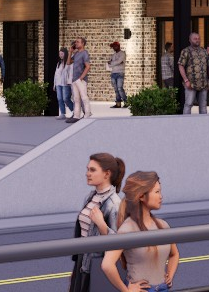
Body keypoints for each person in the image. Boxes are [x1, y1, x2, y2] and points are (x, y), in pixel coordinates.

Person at [116, 171, 179, 292]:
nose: (161, 196)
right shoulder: (127, 229)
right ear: (141, 196)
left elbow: (174, 254)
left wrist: (170, 275)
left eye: (160, 191)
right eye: (157, 192)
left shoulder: (163, 225)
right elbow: (107, 265)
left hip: (163, 288)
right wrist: (127, 290)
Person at [74, 153, 127, 292]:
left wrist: (102, 225)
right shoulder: (90, 197)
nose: (87, 174)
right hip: (83, 261)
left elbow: (119, 243)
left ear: (107, 174)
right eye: (87, 169)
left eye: (92, 170)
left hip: (96, 266)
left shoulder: (114, 204)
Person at [177, 32, 209, 115]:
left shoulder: (204, 51)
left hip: (203, 84)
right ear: (190, 40)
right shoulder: (186, 51)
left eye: (198, 38)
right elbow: (180, 65)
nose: (197, 40)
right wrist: (186, 80)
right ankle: (186, 124)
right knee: (188, 104)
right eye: (195, 39)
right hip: (191, 84)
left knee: (203, 106)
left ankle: (203, 125)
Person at [69, 39, 91, 120]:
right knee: (76, 98)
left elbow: (88, 66)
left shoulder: (85, 53)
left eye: (78, 42)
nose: (76, 43)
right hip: (74, 79)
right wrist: (71, 52)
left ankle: (87, 114)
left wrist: (81, 78)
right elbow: (68, 62)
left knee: (84, 97)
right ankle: (76, 115)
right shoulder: (76, 53)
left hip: (80, 79)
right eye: (75, 42)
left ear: (83, 43)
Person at [55, 48, 76, 119]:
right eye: (59, 54)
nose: (60, 55)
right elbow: (56, 74)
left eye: (62, 54)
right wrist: (54, 84)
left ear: (65, 54)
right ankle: (62, 114)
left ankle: (75, 111)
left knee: (66, 99)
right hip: (58, 83)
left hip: (65, 83)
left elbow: (70, 73)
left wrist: (70, 81)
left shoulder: (68, 63)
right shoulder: (59, 63)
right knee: (59, 98)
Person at [106, 41, 128, 109]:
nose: (113, 48)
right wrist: (114, 63)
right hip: (113, 73)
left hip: (120, 73)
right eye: (112, 47)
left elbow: (118, 61)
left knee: (120, 88)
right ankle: (118, 104)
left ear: (118, 46)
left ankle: (126, 102)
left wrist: (112, 62)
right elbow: (109, 64)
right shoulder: (113, 55)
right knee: (116, 89)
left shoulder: (122, 54)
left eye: (114, 46)